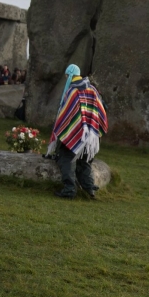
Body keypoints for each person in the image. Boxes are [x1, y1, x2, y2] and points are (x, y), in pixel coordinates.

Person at [48, 64, 108, 199]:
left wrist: (64, 133)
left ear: (69, 75)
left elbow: (66, 115)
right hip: (93, 135)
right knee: (85, 160)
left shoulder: (72, 91)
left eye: (66, 75)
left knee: (65, 158)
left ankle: (69, 189)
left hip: (76, 133)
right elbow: (101, 111)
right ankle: (89, 189)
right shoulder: (92, 89)